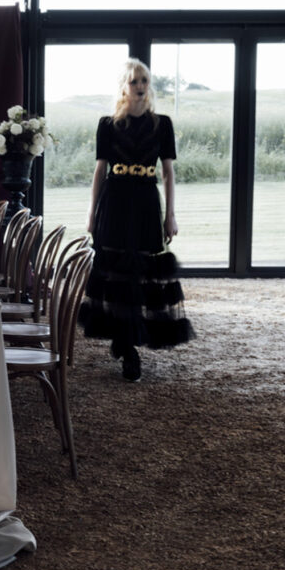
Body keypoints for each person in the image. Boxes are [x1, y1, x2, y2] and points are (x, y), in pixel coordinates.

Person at [79, 57, 195, 382]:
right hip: (113, 202)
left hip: (146, 201)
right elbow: (99, 171)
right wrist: (91, 213)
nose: (141, 87)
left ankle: (127, 339)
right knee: (115, 272)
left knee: (140, 274)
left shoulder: (163, 124)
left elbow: (169, 173)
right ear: (124, 88)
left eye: (144, 81)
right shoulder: (107, 124)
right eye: (134, 82)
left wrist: (171, 215)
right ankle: (127, 346)